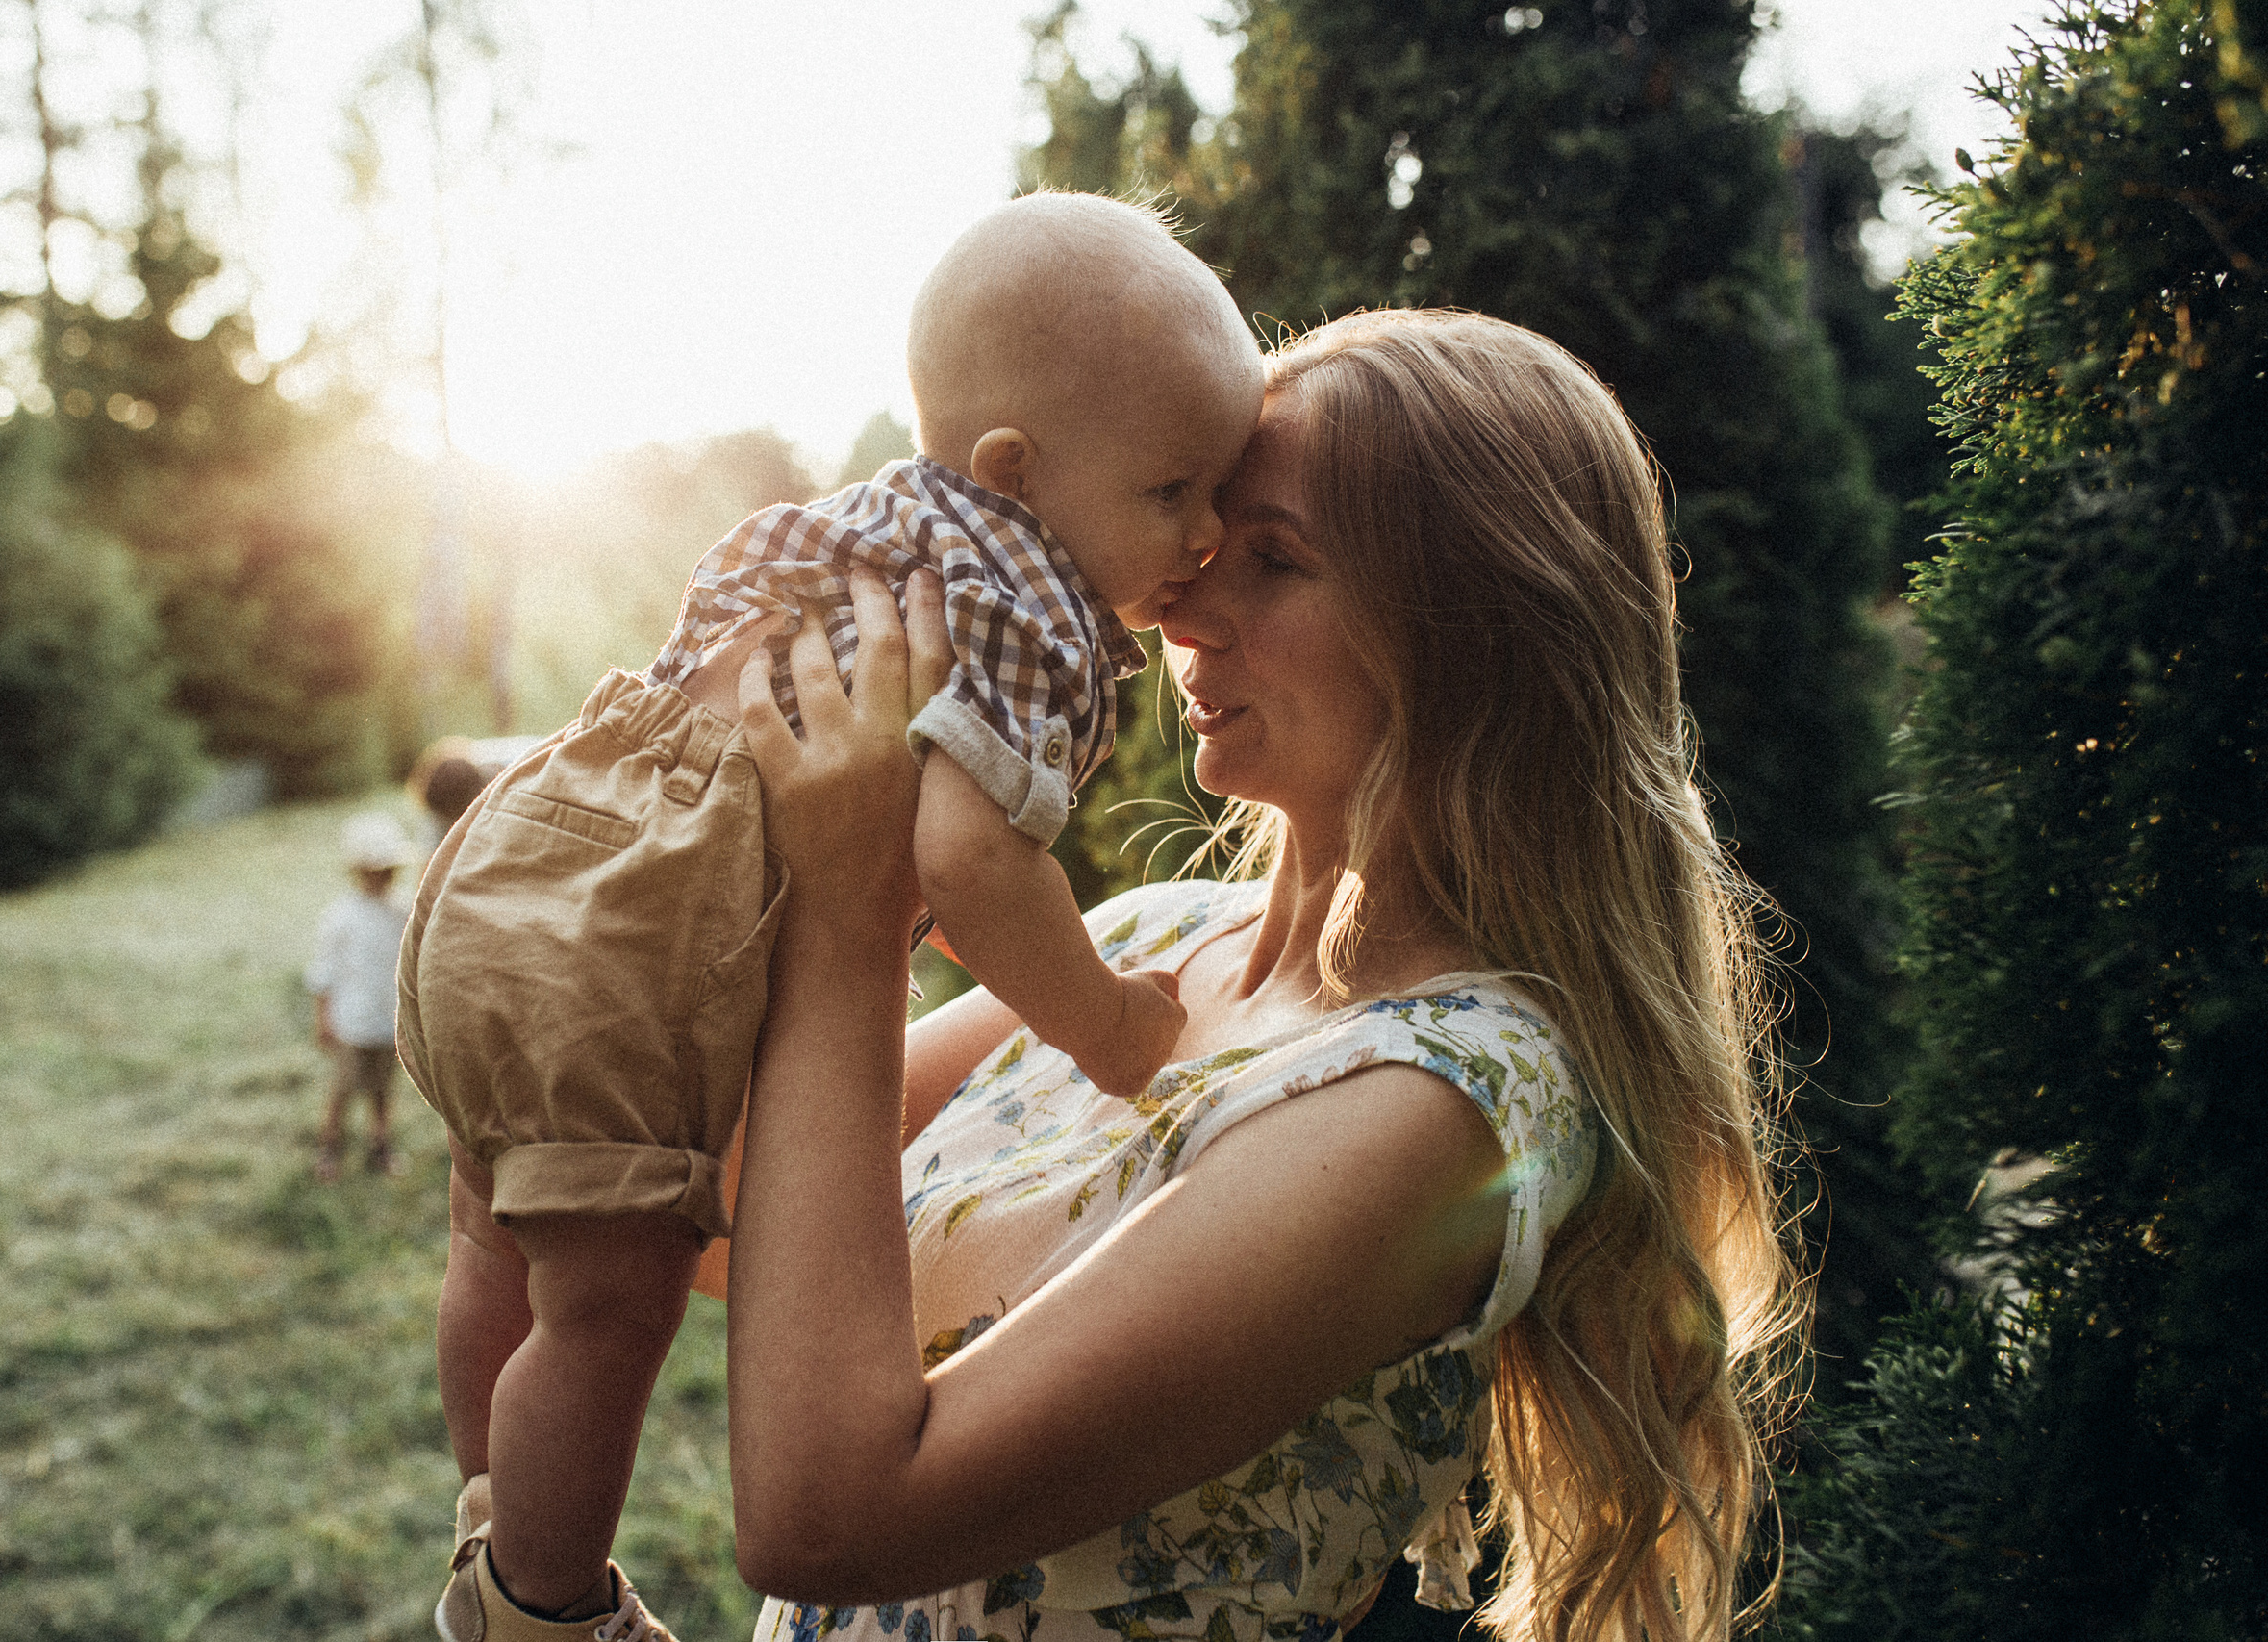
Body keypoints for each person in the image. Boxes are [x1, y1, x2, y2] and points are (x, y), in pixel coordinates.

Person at [722, 310, 1805, 1642]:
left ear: (1473, 631)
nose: (1179, 598)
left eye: (1275, 559)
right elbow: (718, 1213)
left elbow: (828, 1515)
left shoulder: (1449, 1096)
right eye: (1199, 537)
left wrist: (851, 916)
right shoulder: (1143, 942)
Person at [397, 192, 1265, 1642]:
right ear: (1019, 471)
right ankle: (538, 1603)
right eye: (1177, 491)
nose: (1208, 531)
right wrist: (1108, 1022)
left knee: (498, 1237)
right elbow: (972, 863)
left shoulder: (872, 527)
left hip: (516, 858)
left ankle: (493, 1503)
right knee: (611, 1304)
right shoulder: (1027, 614)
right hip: (633, 950)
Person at [305, 811, 417, 1183]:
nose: (380, 877)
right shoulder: (340, 916)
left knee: (382, 1090)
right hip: (351, 1022)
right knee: (343, 1090)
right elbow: (323, 972)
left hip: (388, 1021)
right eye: (372, 869)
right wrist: (323, 1019)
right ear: (356, 870)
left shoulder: (403, 910)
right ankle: (329, 1148)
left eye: (387, 869)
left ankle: (380, 1146)